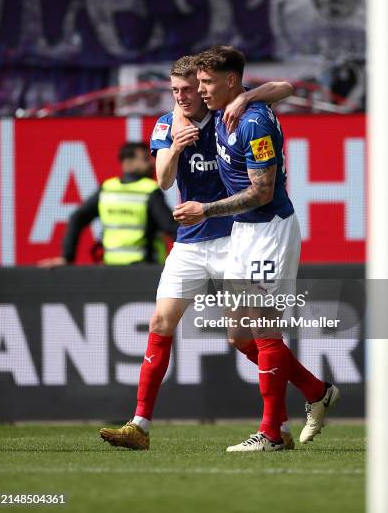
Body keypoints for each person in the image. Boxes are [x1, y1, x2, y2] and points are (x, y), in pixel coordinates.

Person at [99, 56, 295, 451]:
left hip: (234, 235)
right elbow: (164, 179)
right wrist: (174, 145)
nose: (186, 96)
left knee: (243, 335)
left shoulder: (232, 114)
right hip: (190, 241)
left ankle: (294, 408)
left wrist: (245, 97)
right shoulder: (171, 124)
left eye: (192, 88)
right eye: (177, 91)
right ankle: (139, 425)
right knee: (160, 321)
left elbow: (283, 88)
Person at [174, 46, 340, 452]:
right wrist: (246, 94)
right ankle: (316, 391)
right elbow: (282, 87)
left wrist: (206, 210)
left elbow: (263, 193)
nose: (201, 90)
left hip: (269, 231)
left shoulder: (253, 122)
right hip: (243, 235)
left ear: (231, 80)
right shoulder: (228, 110)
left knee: (264, 329)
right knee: (238, 335)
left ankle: (271, 432)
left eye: (208, 82)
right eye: (198, 83)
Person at [39, 142, 176, 268]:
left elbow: (76, 218)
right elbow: (170, 227)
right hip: (144, 269)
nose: (152, 163)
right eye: (146, 159)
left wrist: (66, 257)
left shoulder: (107, 189)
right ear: (128, 163)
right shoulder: (150, 189)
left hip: (110, 269)